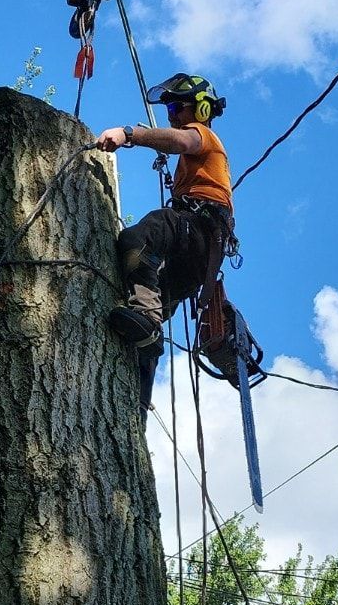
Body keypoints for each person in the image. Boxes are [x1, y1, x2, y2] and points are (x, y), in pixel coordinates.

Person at [95, 72, 234, 407]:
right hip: (201, 257)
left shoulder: (203, 136)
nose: (172, 115)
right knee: (151, 318)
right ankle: (138, 402)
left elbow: (181, 141)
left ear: (200, 110)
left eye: (177, 107)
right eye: (169, 108)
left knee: (137, 238)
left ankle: (146, 315)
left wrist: (130, 134)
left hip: (197, 226)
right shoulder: (197, 158)